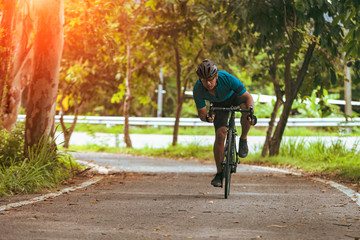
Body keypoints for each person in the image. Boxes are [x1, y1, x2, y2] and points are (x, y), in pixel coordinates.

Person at [193, 59, 256, 187]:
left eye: (210, 78)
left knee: (245, 108)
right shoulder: (198, 89)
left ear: (216, 76)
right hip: (218, 104)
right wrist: (207, 118)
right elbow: (202, 113)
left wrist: (251, 114)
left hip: (234, 97)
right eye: (204, 80)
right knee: (220, 135)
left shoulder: (227, 78)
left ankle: (243, 139)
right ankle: (220, 173)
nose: (208, 83)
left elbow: (248, 97)